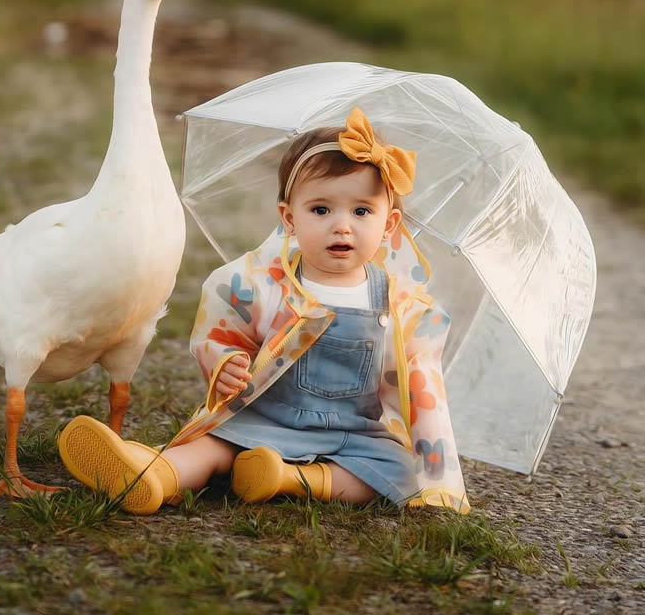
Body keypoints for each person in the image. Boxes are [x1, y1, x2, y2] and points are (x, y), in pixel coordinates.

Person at [59, 108, 469, 515]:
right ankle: (154, 472)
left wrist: (439, 479)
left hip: (349, 434)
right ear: (289, 218)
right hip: (265, 416)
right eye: (321, 210)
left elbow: (423, 391)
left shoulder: (402, 308)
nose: (342, 226)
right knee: (212, 447)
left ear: (389, 224)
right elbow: (221, 333)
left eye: (361, 211)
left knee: (401, 470)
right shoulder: (265, 283)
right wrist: (226, 362)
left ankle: (286, 478)